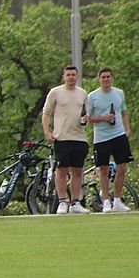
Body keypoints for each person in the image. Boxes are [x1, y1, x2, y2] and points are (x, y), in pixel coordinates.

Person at [42, 65, 91, 214]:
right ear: (63, 76)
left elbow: (86, 114)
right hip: (62, 137)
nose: (71, 77)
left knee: (77, 171)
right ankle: (62, 201)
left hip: (79, 137)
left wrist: (86, 118)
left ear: (77, 76)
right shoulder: (55, 92)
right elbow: (46, 113)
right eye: (68, 75)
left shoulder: (82, 93)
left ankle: (75, 201)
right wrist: (47, 131)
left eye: (73, 75)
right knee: (62, 170)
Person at [85, 68, 133, 212]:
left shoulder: (119, 93)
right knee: (103, 169)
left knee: (122, 168)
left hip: (119, 135)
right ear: (99, 79)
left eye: (108, 77)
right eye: (103, 77)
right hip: (101, 138)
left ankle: (117, 200)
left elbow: (123, 113)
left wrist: (127, 129)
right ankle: (106, 201)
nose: (106, 79)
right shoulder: (92, 96)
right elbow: (87, 118)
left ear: (112, 78)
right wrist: (104, 118)